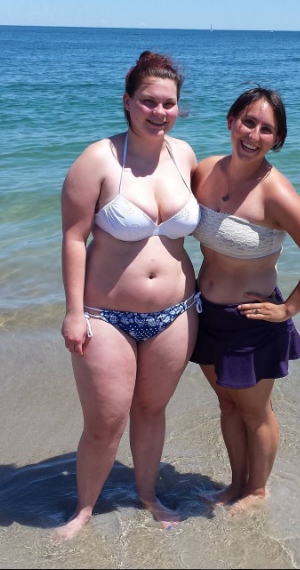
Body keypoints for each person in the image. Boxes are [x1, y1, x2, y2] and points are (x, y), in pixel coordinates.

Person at [56, 51, 200, 540]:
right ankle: (83, 510)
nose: (158, 112)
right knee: (106, 422)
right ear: (127, 102)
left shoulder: (184, 155)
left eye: (168, 104)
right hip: (107, 316)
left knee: (152, 410)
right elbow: (74, 238)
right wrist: (74, 313)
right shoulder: (98, 159)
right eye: (148, 102)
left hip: (177, 313)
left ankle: (148, 496)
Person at [190, 86, 300, 514]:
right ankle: (234, 484)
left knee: (255, 412)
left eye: (267, 129)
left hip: (251, 320)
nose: (254, 134)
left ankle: (257, 491)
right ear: (231, 121)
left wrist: (288, 309)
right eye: (248, 121)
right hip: (207, 315)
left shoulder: (276, 193)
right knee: (227, 403)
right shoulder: (203, 171)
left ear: (277, 140)